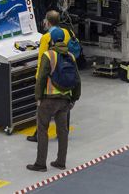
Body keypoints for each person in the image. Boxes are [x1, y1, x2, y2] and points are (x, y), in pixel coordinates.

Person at [28, 27, 81, 173]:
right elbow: (77, 79)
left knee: (42, 130)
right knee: (63, 131)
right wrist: (74, 98)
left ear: (51, 40)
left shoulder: (48, 55)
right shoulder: (70, 55)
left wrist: (38, 97)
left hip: (48, 100)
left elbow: (41, 78)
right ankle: (60, 162)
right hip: (65, 100)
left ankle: (40, 164)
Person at [29, 10, 80, 143]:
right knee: (65, 103)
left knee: (42, 108)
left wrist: (38, 77)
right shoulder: (66, 32)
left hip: (51, 74)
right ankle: (64, 131)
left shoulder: (46, 38)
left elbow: (42, 58)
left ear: (48, 21)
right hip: (64, 72)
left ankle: (38, 135)